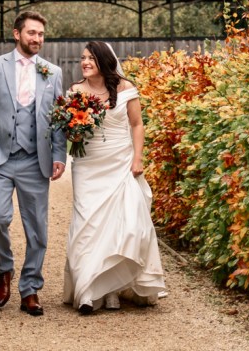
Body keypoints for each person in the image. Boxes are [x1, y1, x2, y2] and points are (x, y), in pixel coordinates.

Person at [0, 10, 66, 316]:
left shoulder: (53, 72)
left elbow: (59, 120)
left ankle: (30, 288)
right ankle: (5, 268)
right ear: (17, 34)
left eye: (41, 34)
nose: (37, 39)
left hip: (34, 160)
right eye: (31, 33)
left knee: (37, 228)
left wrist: (58, 156)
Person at [63, 40, 166, 314]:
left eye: (91, 59)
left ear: (104, 62)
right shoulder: (75, 91)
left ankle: (111, 289)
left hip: (120, 161)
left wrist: (137, 158)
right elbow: (72, 136)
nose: (84, 62)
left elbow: (136, 124)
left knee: (125, 224)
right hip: (88, 164)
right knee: (88, 225)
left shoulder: (126, 88)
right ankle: (87, 291)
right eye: (83, 58)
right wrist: (73, 126)